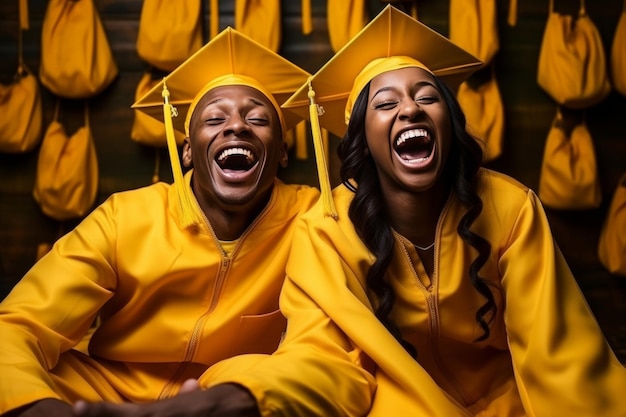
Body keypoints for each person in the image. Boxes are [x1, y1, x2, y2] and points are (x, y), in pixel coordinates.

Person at [161, 5, 625, 416]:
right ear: (363, 139)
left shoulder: (510, 207)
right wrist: (247, 396)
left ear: (449, 121)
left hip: (511, 403)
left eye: (427, 98)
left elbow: (558, 355)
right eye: (386, 103)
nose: (410, 110)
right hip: (402, 405)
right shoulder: (327, 230)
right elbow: (322, 359)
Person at [0, 27, 320, 417]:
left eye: (257, 118)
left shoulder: (314, 219)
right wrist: (40, 409)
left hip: (220, 397)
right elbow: (20, 323)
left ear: (282, 153)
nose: (236, 126)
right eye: (215, 118)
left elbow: (325, 352)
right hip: (104, 386)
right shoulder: (126, 216)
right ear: (188, 152)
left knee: (277, 376)